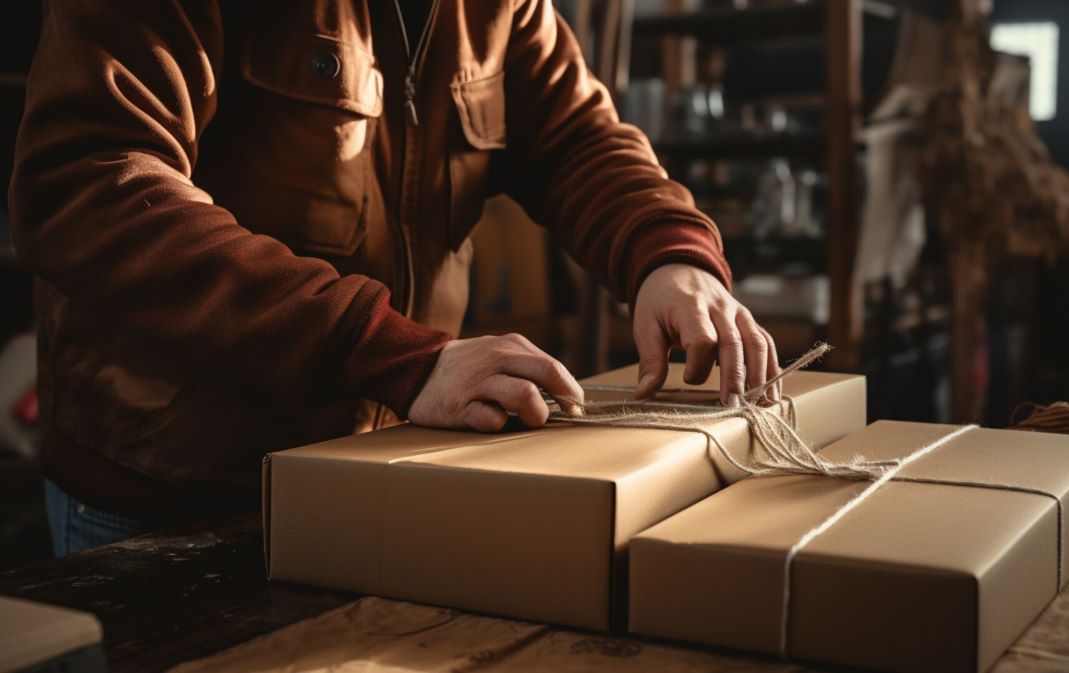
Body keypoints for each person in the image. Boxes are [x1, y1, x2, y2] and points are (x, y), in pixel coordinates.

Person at [10, 0, 780, 556]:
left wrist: (667, 250)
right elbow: (88, 184)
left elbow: (578, 137)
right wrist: (391, 352)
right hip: (170, 492)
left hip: (388, 470)